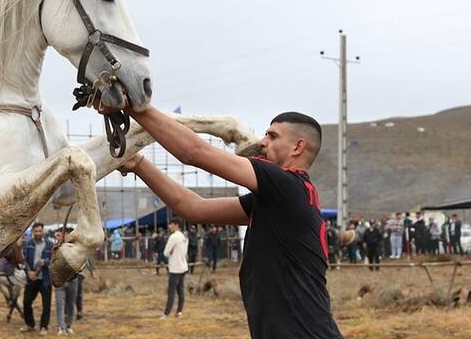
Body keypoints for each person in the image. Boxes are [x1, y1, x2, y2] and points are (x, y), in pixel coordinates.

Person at [120, 108, 342, 338]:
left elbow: (194, 152)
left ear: (298, 147)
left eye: (272, 136)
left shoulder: (286, 185)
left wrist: (135, 108)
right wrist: (138, 163)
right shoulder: (283, 198)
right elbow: (193, 208)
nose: (262, 142)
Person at [21, 223, 53, 335]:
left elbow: (54, 258)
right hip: (31, 278)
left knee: (46, 304)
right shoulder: (27, 243)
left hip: (45, 279)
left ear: (43, 231)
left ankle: (44, 327)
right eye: (36, 231)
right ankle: (30, 324)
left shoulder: (49, 244)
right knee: (26, 302)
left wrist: (45, 262)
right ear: (33, 232)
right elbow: (23, 260)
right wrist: (28, 272)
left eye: (40, 231)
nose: (38, 233)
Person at [160, 218, 188, 319]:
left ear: (176, 225)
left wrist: (171, 252)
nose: (169, 226)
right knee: (180, 290)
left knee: (171, 291)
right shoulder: (185, 236)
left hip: (175, 267)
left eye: (171, 224)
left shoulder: (174, 237)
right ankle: (179, 311)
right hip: (183, 266)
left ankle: (166, 313)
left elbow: (166, 253)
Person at [53, 229, 77, 336]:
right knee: (60, 304)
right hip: (60, 280)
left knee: (71, 304)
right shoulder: (56, 248)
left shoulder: (75, 248)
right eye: (62, 235)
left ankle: (69, 326)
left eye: (66, 234)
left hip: (73, 280)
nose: (64, 236)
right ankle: (61, 327)